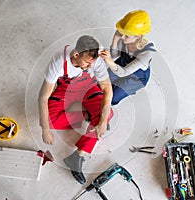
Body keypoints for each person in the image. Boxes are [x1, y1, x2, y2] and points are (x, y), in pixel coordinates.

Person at [38, 35, 113, 184]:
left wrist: (103, 121)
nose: (90, 66)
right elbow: (43, 98)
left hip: (87, 86)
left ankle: (77, 156)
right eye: (86, 63)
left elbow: (107, 89)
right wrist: (45, 130)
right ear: (76, 54)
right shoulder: (59, 62)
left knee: (108, 113)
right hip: (66, 89)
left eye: (92, 63)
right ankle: (89, 115)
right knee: (47, 121)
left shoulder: (94, 57)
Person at [100, 10, 156, 105]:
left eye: (127, 36)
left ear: (138, 36)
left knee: (112, 98)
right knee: (100, 85)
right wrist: (115, 39)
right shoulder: (124, 37)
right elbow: (114, 56)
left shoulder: (147, 52)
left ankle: (129, 88)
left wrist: (109, 61)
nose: (122, 37)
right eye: (122, 34)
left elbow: (123, 73)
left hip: (136, 77)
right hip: (122, 64)